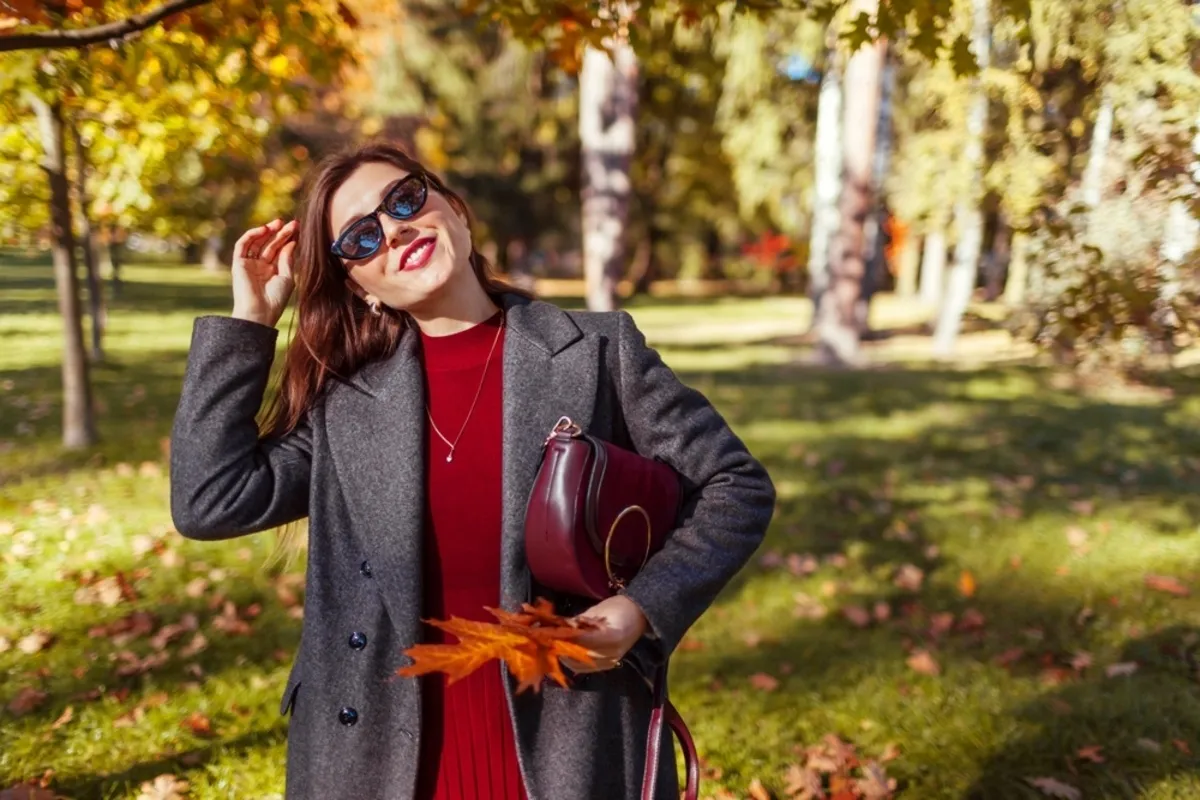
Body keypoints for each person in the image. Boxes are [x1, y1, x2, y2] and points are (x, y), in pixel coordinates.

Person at [169, 141, 775, 800]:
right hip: (375, 764)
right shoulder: (347, 401)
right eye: (361, 238)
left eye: (404, 200)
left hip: (569, 750)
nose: (395, 229)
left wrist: (642, 608)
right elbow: (210, 500)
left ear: (454, 210)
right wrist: (249, 321)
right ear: (358, 284)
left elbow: (734, 486)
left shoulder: (597, 351)